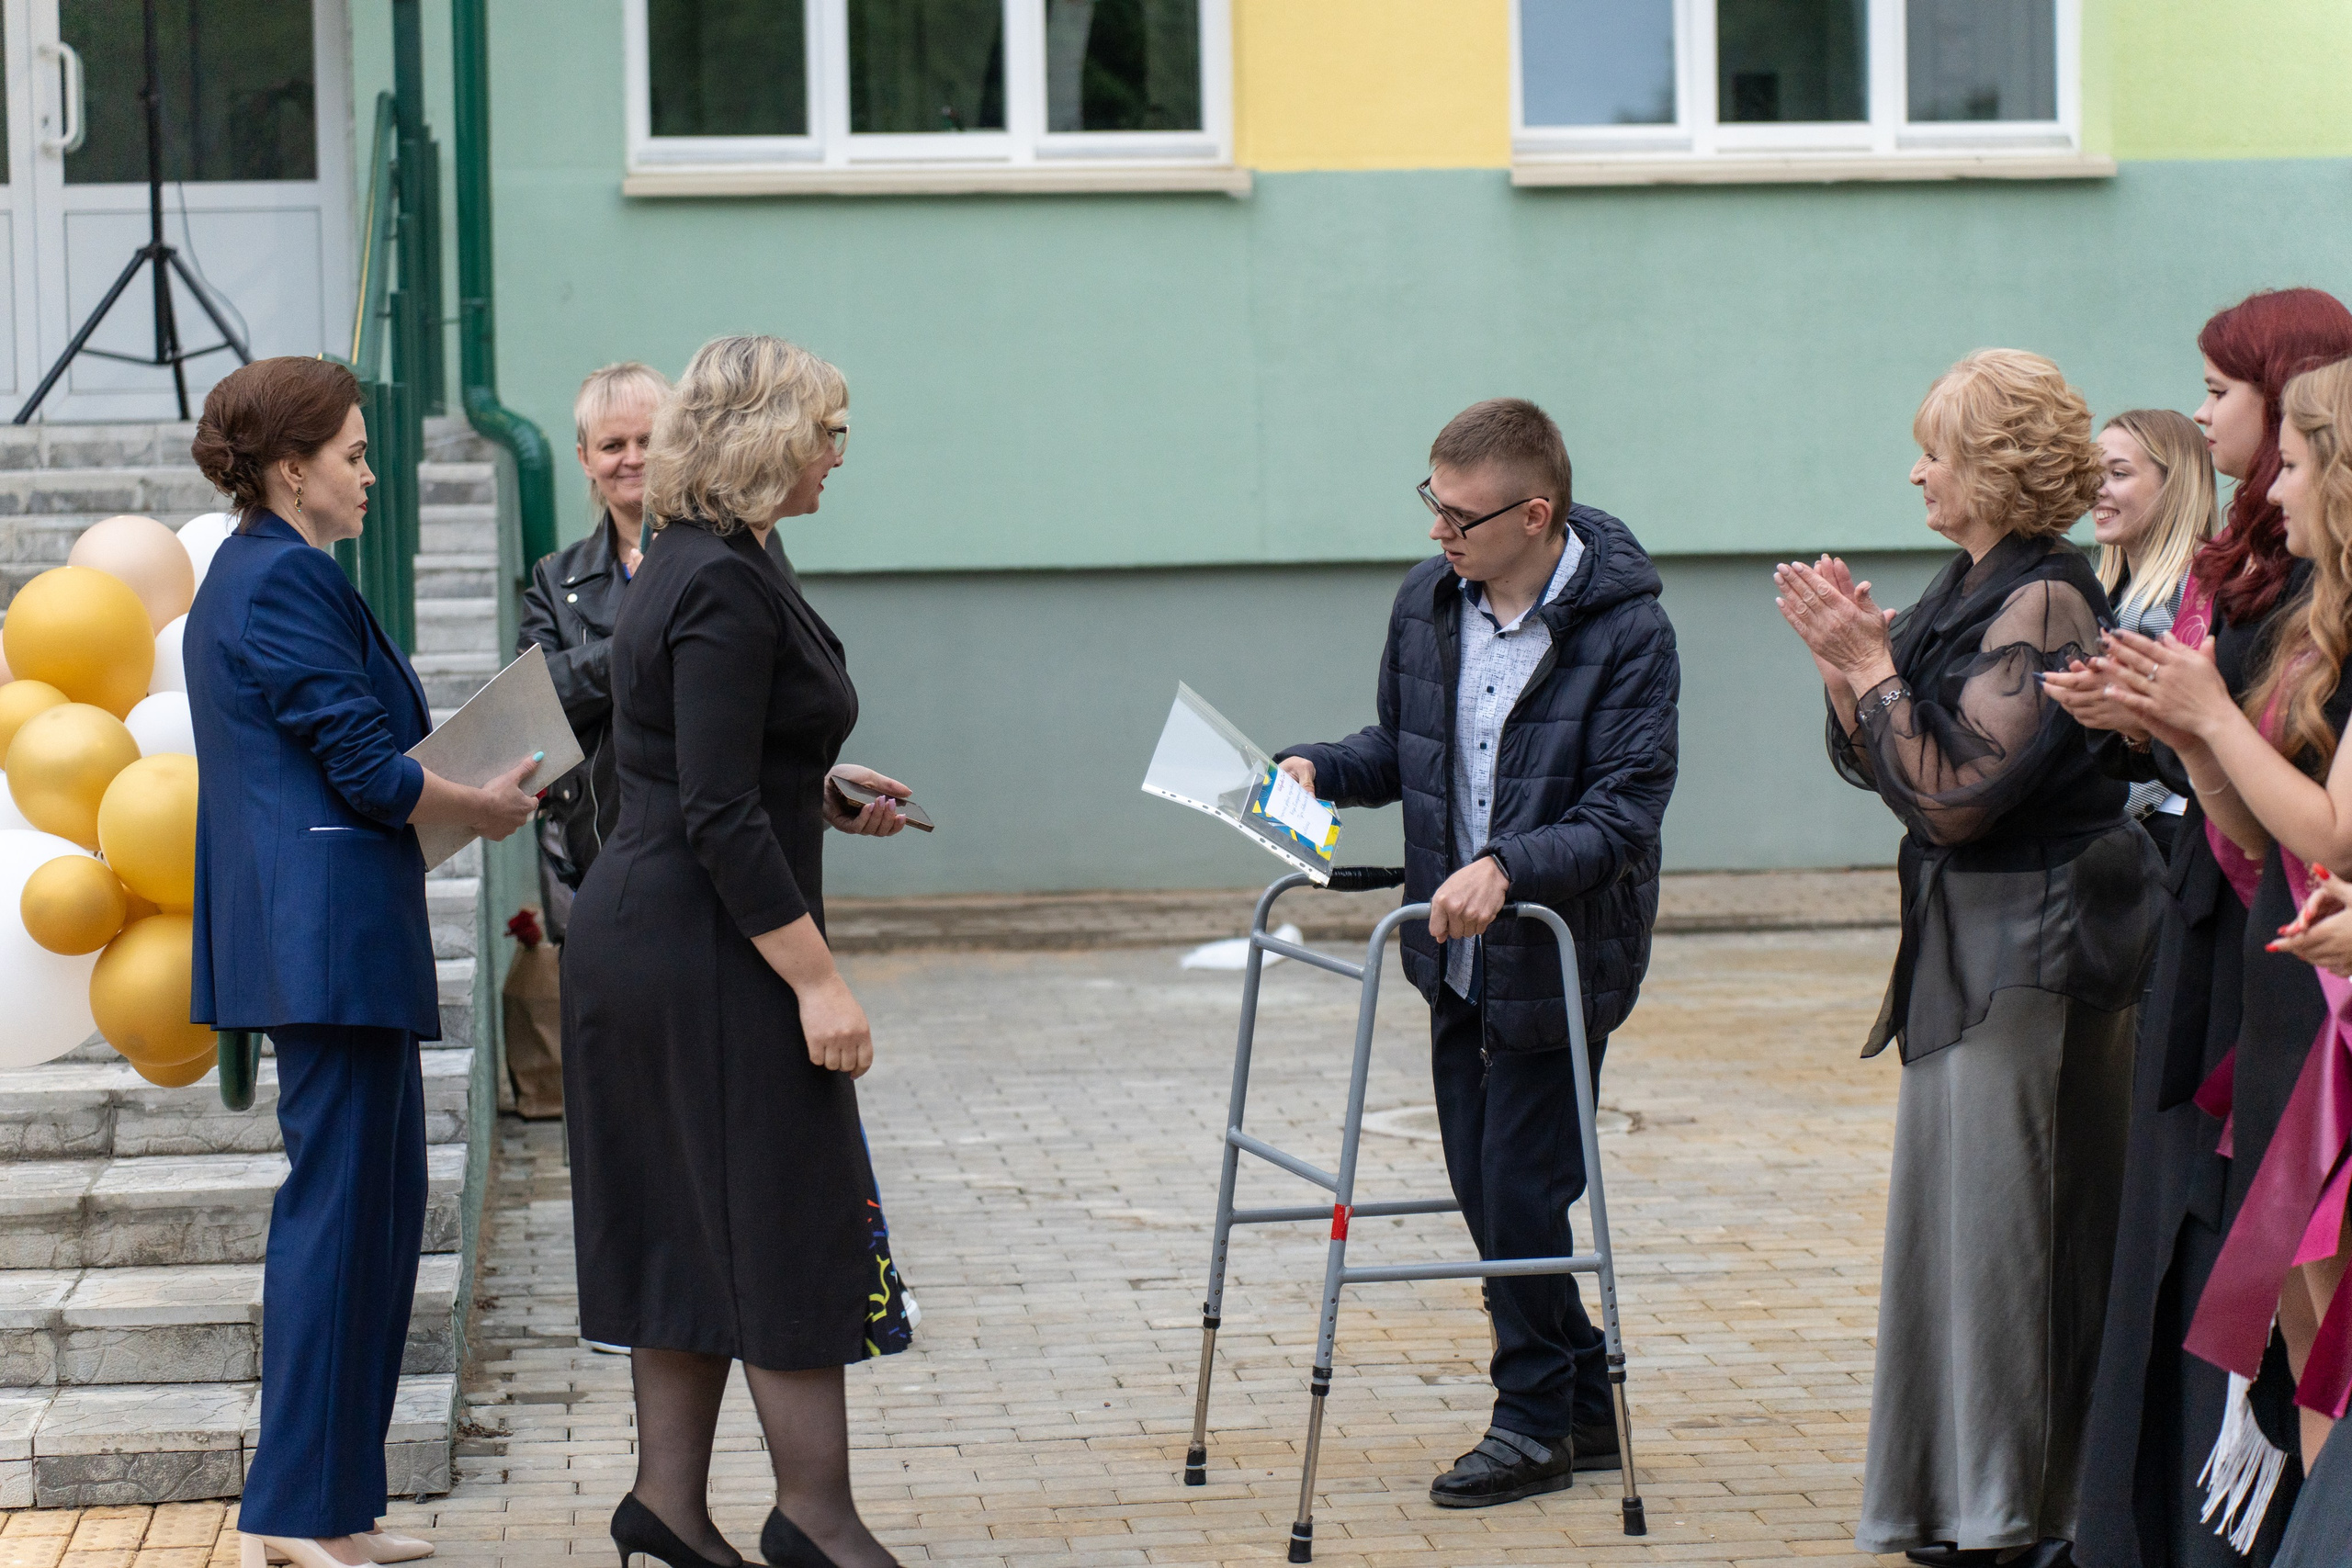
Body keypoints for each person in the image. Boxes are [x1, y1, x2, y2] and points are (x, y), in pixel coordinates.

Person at [1774, 348, 2161, 1565]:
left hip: (2034, 961)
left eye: (1935, 450)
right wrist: (1848, 668)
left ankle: (2030, 1517)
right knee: (1955, 1244)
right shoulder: (1968, 582)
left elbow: (1956, 796)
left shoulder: (2046, 598)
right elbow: (1888, 765)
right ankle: (1957, 1502)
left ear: (1990, 465)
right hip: (1966, 957)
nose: (1917, 470)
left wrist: (1874, 666)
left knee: (2018, 1246)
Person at [1272, 398, 1679, 1506]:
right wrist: (1321, 768)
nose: (1438, 534)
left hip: (1557, 957)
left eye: (1459, 516)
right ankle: (1587, 1396)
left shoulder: (1626, 631)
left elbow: (1624, 811)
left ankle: (1533, 1421)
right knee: (1484, 1189)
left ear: (1533, 513)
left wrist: (1507, 864)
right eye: (1431, 506)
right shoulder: (1427, 603)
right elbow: (1405, 750)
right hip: (1448, 956)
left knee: (1516, 1188)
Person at [560, 335, 916, 1568]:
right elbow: (707, 807)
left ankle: (666, 1501)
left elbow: (706, 760)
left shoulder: (719, 553)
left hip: (672, 927)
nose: (837, 450)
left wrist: (814, 788)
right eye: (826, 428)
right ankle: (816, 1519)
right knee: (775, 1217)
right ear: (766, 438)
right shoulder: (711, 575)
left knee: (690, 1218)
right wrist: (818, 978)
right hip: (694, 948)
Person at [184, 357, 537, 1568]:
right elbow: (365, 767)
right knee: (340, 1219)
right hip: (320, 941)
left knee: (378, 1219)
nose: (371, 472)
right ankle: (287, 1511)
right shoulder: (277, 579)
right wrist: (477, 806)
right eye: (353, 452)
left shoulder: (284, 573)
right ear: (292, 470)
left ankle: (333, 1504)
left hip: (338, 934)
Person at [2050, 288, 2352, 1567]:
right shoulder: (2308, 610)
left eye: (2291, 457)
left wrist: (2207, 722)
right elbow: (2254, 834)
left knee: (2324, 1311)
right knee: (2298, 1311)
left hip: (2314, 987)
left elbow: (2329, 834)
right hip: (2286, 967)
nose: (2271, 483)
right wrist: (2183, 728)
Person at [519, 362, 810, 939]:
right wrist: (646, 628)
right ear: (584, 459)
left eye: (648, 439)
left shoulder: (743, 547)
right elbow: (533, 702)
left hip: (725, 840)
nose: (632, 457)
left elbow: (779, 671)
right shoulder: (557, 577)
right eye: (612, 444)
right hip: (601, 854)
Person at [2090, 409, 2221, 860]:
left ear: (2175, 484)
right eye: (2092, 474)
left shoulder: (2201, 586)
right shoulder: (2110, 587)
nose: (2097, 489)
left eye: (2118, 473)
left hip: (2178, 826)